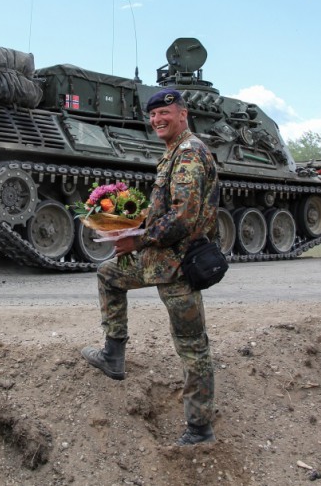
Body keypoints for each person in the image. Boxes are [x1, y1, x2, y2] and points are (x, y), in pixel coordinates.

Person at [81, 88, 219, 446]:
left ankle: (200, 428)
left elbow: (184, 216)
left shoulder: (188, 154)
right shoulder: (172, 152)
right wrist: (132, 223)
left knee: (191, 346)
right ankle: (113, 355)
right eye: (154, 115)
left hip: (179, 267)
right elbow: (168, 211)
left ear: (183, 114)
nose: (158, 120)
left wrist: (138, 240)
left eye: (166, 113)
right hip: (158, 260)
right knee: (109, 275)